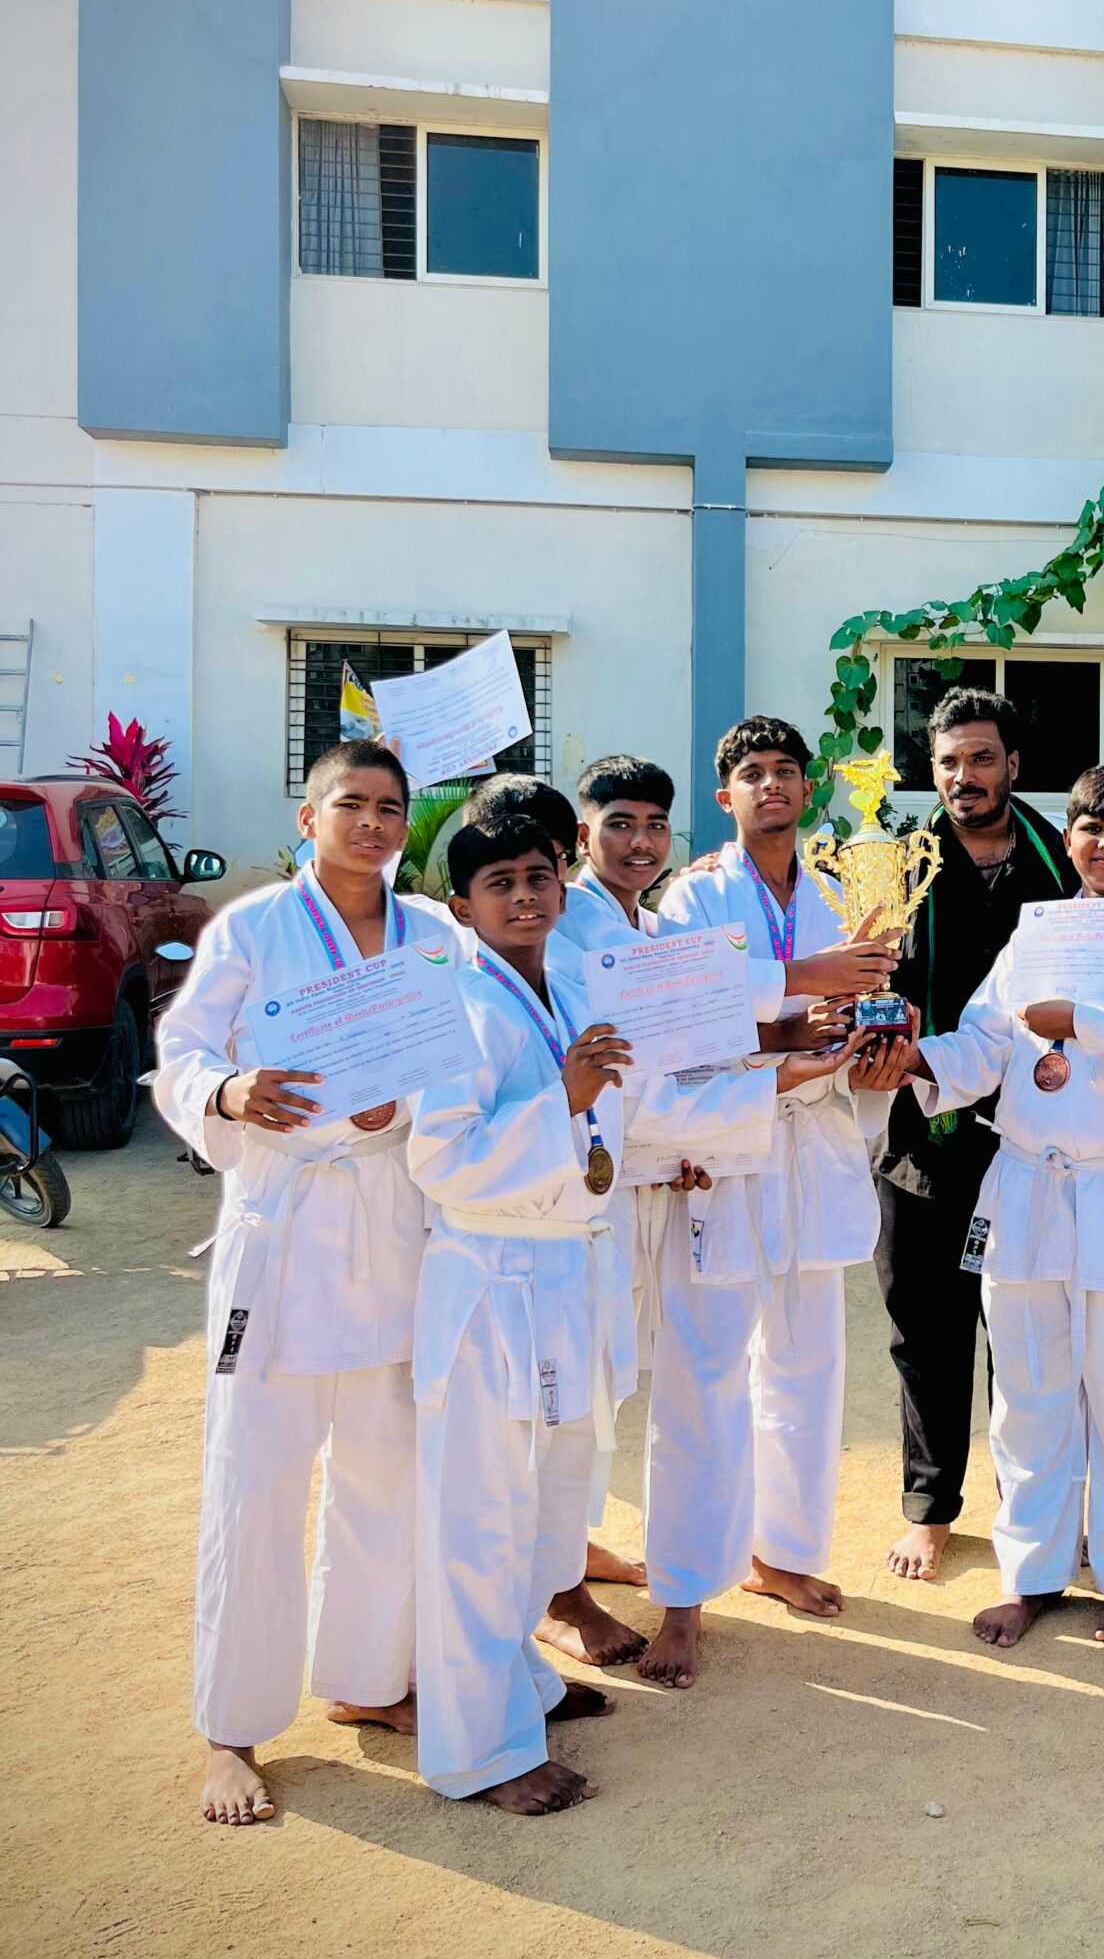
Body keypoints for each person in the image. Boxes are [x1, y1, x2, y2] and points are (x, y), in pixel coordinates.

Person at [154, 740, 454, 1827]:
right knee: (256, 1480)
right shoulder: (254, 926)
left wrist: (403, 1106)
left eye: (389, 808)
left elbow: (464, 1059)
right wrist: (228, 1091)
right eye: (351, 804)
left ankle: (367, 1679)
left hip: (391, 1221)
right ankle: (230, 1729)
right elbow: (182, 1047)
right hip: (283, 1226)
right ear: (309, 816)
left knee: (388, 1471)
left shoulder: (434, 934)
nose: (372, 824)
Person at [866, 764, 1104, 1649]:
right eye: (1092, 829)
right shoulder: (1034, 934)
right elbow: (984, 1042)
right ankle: (1031, 1571)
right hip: (1026, 1186)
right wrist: (915, 1059)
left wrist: (1079, 1020)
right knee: (1028, 1394)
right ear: (1069, 837)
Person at [646, 716, 896, 1672]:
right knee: (705, 1370)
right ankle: (682, 1592)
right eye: (753, 773)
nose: (774, 784)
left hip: (816, 1139)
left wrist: (878, 1042)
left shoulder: (841, 888)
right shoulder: (695, 895)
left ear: (809, 786)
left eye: (788, 770)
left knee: (807, 1362)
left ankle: (781, 1554)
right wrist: (797, 999)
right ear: (727, 796)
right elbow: (679, 1017)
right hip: (728, 1138)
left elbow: (866, 1001)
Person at [407, 808, 641, 1813]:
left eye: (538, 876)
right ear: (463, 908)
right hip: (493, 1278)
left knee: (549, 1504)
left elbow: (619, 1117)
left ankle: (524, 1685)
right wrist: (562, 1098)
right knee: (481, 1518)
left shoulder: (574, 987)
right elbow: (440, 1158)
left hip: (567, 1269)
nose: (524, 896)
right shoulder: (454, 1008)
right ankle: (480, 1753)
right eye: (498, 883)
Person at [875, 687, 1071, 1580]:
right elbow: (868, 980)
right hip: (925, 1130)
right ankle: (932, 1507)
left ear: (1013, 765)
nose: (965, 776)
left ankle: (1032, 1508)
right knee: (926, 1327)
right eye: (949, 761)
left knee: (1033, 1336)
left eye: (983, 758)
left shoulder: (1064, 864)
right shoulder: (899, 866)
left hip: (1037, 1136)